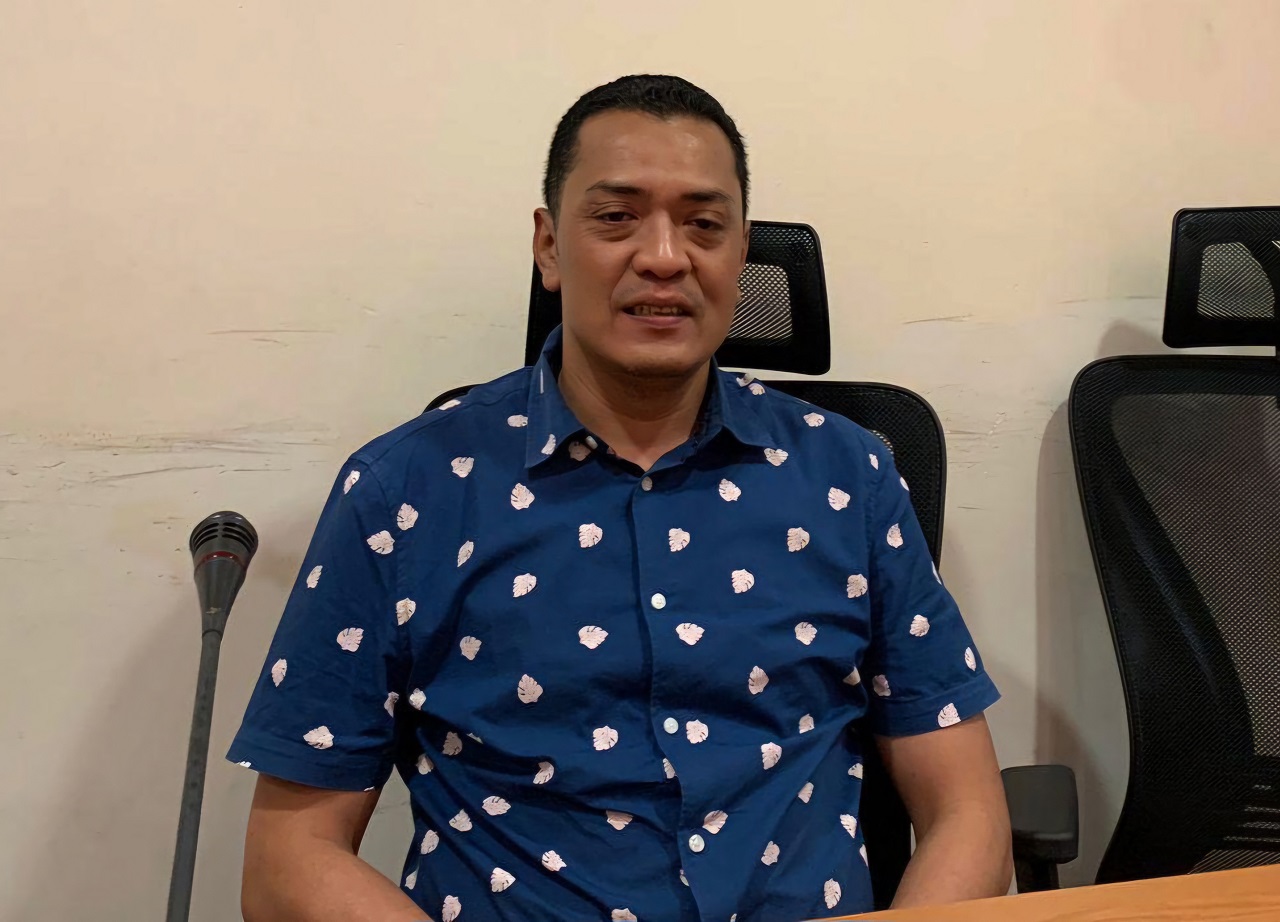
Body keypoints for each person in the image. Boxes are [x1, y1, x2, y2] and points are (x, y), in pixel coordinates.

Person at [229, 73, 1012, 922]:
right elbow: (288, 863)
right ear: (548, 247)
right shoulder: (404, 491)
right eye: (616, 217)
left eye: (704, 224)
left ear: (741, 253)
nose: (665, 257)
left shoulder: (848, 475)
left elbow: (967, 812)